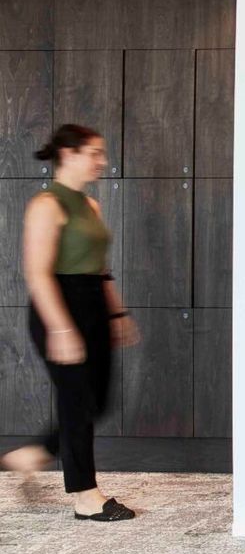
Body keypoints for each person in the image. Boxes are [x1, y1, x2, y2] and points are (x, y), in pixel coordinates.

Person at [0, 125, 140, 520]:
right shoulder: (46, 205)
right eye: (94, 153)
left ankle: (35, 453)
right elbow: (38, 273)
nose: (102, 161)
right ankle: (85, 495)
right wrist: (61, 328)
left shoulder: (90, 206)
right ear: (68, 154)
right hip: (59, 307)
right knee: (76, 401)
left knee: (98, 400)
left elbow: (101, 269)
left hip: (93, 304)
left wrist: (117, 312)